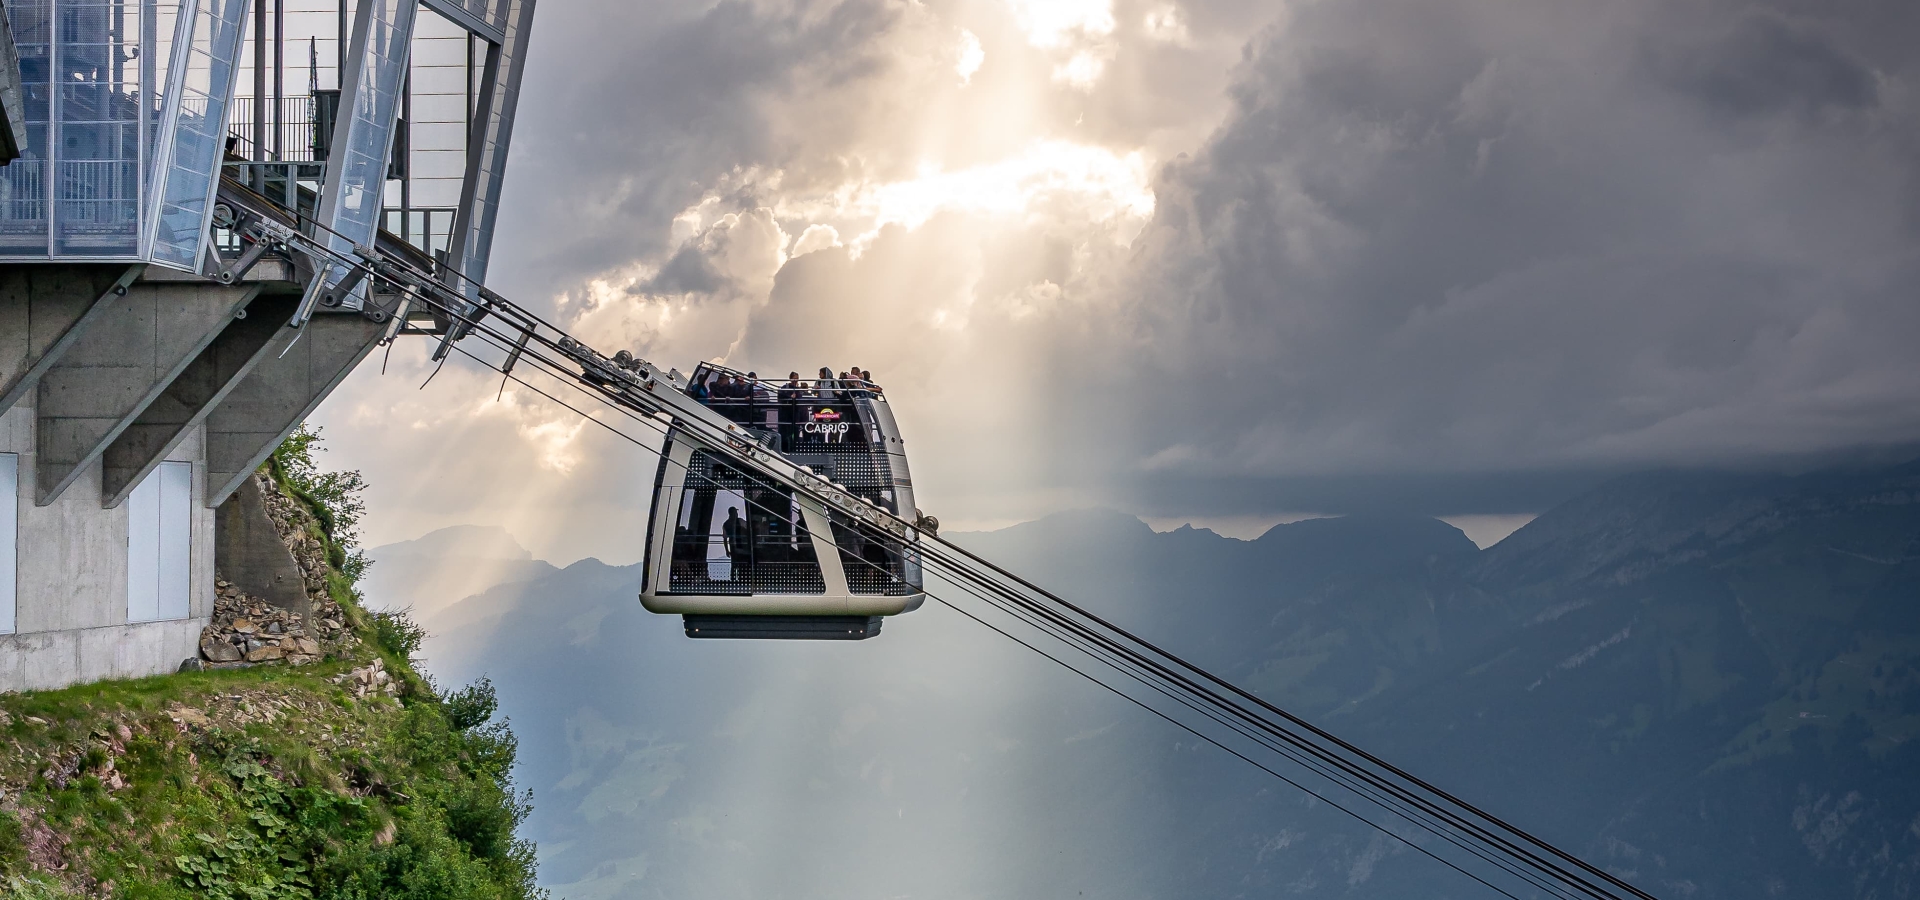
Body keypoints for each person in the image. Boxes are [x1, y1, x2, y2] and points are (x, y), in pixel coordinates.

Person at [722, 506, 752, 582]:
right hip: (742, 546)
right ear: (734, 513)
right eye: (736, 512)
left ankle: (733, 581)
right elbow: (749, 528)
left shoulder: (726, 524)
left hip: (733, 547)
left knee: (734, 565)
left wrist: (726, 550)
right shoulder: (740, 521)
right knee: (742, 564)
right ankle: (742, 580)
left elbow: (725, 539)